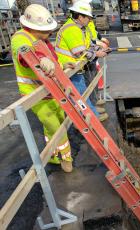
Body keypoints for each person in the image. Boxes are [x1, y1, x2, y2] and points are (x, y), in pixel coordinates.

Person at [11, 4, 75, 172]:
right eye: (46, 31)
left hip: (51, 90)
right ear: (32, 27)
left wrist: (60, 65)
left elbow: (51, 59)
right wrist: (39, 59)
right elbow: (24, 54)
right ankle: (65, 158)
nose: (50, 33)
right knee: (55, 125)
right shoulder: (20, 37)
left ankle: (53, 155)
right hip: (35, 93)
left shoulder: (43, 40)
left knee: (58, 120)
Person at [55, 0, 109, 121]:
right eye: (88, 18)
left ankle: (92, 116)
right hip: (70, 69)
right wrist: (97, 53)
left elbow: (87, 45)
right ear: (80, 17)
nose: (90, 20)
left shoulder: (79, 28)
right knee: (80, 97)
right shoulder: (71, 29)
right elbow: (80, 52)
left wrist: (99, 49)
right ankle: (93, 119)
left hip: (76, 67)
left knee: (82, 95)